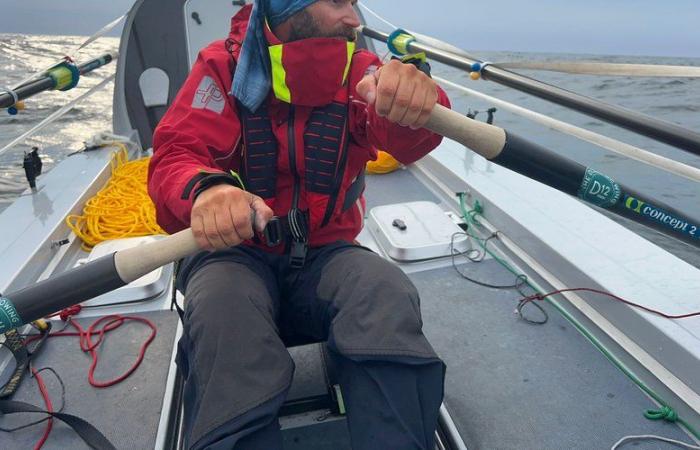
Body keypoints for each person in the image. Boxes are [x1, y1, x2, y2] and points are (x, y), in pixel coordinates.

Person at [148, 1, 451, 448]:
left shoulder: (361, 72)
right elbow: (176, 152)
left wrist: (417, 94)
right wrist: (208, 191)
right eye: (337, 2)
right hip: (235, 255)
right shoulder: (220, 67)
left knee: (383, 291)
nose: (355, 19)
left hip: (326, 255)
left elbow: (412, 140)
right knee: (223, 311)